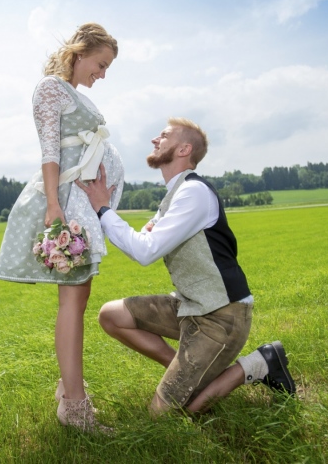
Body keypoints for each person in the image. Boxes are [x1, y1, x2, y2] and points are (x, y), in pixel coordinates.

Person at [75, 117, 295, 417]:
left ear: (184, 149)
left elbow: (144, 251)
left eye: (164, 135)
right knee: (111, 316)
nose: (155, 140)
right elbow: (143, 239)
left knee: (164, 415)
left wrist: (103, 209)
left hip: (222, 317)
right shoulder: (174, 196)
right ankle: (190, 372)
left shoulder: (194, 193)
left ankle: (259, 363)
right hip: (189, 307)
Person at [0, 23, 124, 432]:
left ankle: (70, 390)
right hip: (67, 202)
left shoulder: (69, 93)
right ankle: (74, 405)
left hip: (81, 202)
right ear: (79, 53)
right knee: (73, 300)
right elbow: (50, 150)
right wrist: (54, 205)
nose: (101, 74)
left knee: (78, 299)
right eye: (100, 64)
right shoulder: (50, 87)